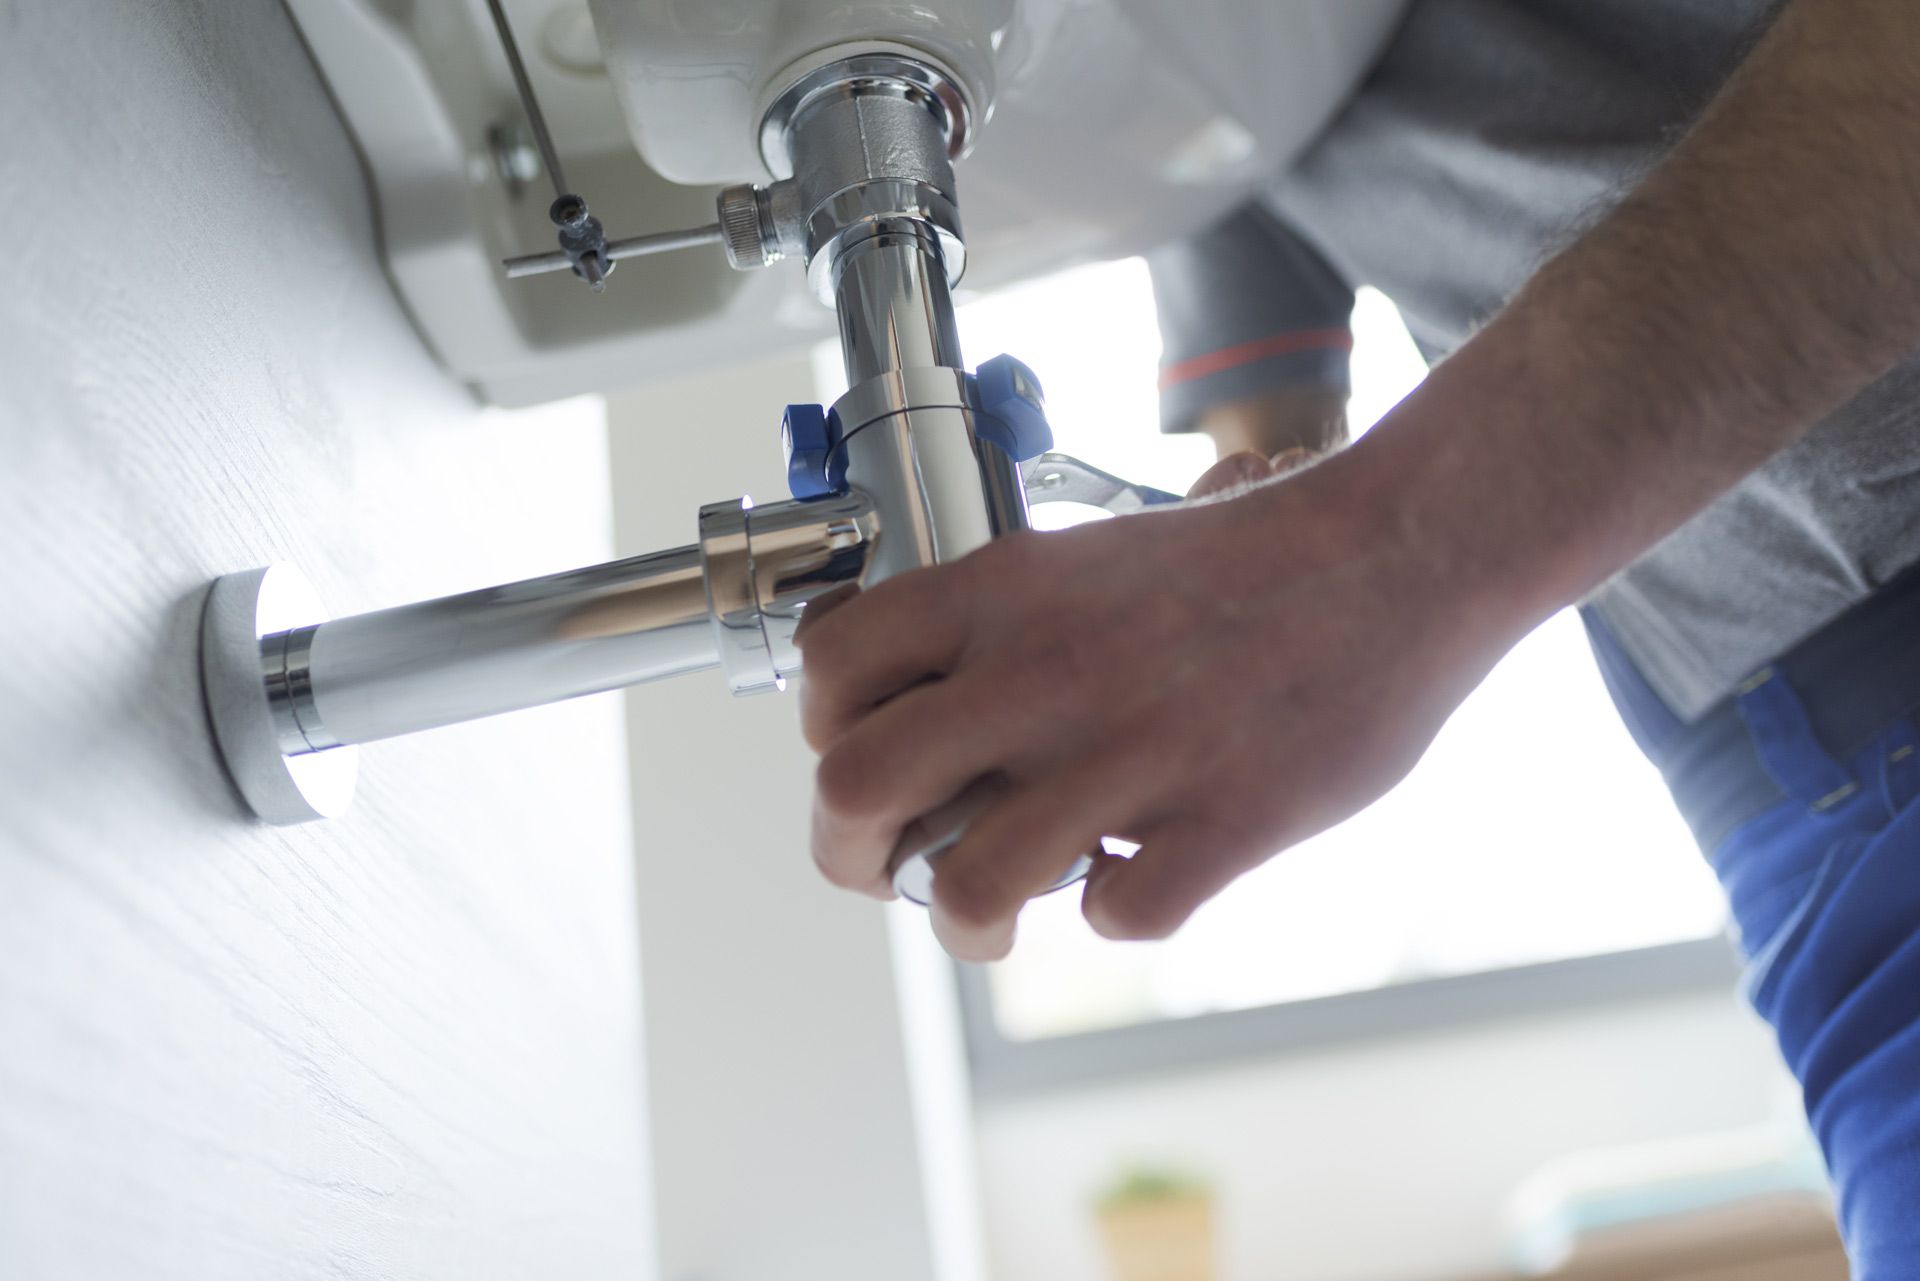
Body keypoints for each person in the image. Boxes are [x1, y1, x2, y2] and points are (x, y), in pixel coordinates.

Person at [793, 0, 1920, 1271]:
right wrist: (1245, 543)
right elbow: (1270, 452)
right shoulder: (1215, 61)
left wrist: (1388, 550)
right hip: (1779, 816)